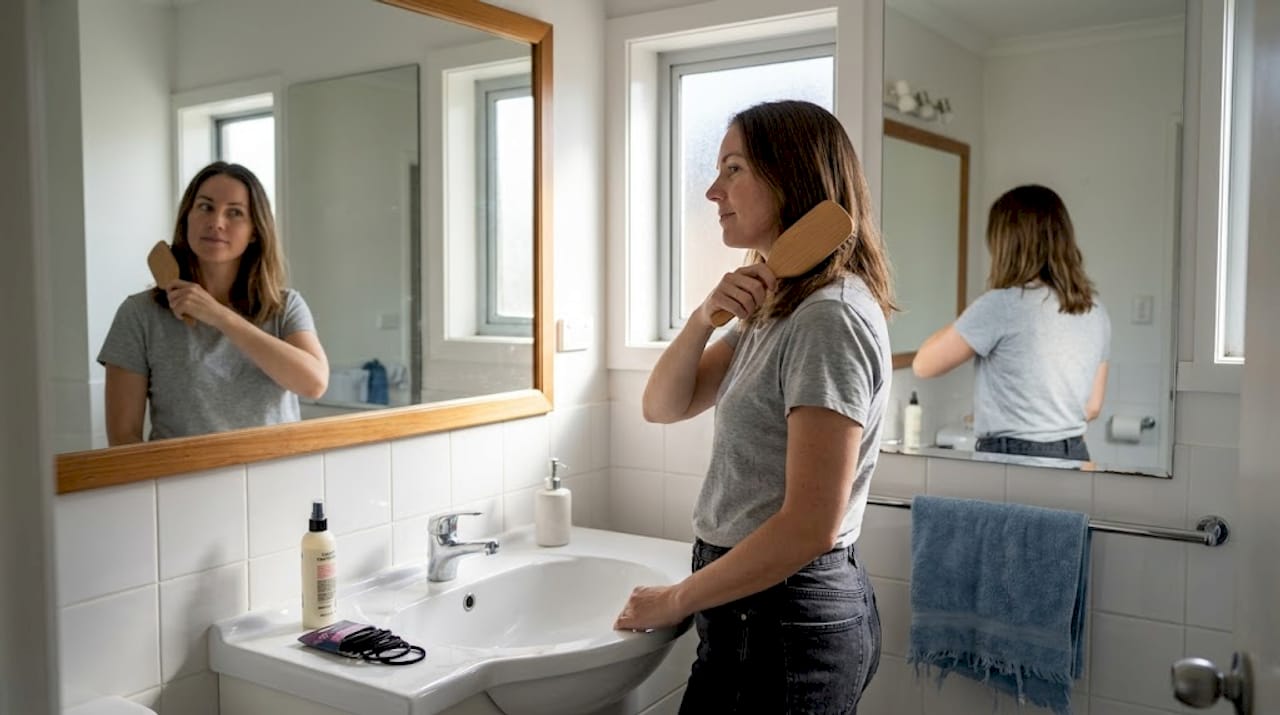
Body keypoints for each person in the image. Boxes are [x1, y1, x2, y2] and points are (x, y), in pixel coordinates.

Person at [614, 100, 893, 714]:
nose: (713, 190)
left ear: (791, 176)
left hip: (782, 621)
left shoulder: (829, 317)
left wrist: (677, 598)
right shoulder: (781, 306)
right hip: (759, 612)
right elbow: (662, 405)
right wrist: (702, 319)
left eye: (733, 169)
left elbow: (809, 524)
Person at [99, 161, 328, 445]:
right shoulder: (140, 315)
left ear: (255, 231)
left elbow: (314, 383)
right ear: (187, 217)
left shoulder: (284, 306)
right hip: (180, 485)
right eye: (206, 207)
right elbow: (123, 438)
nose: (217, 222)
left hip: (275, 480)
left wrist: (219, 316)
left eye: (235, 213)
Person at [912, 184, 1110, 461]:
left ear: (1006, 244)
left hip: (1014, 461)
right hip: (1074, 454)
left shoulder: (1001, 304)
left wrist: (979, 310)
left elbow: (924, 365)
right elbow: (1092, 406)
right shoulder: (1094, 309)